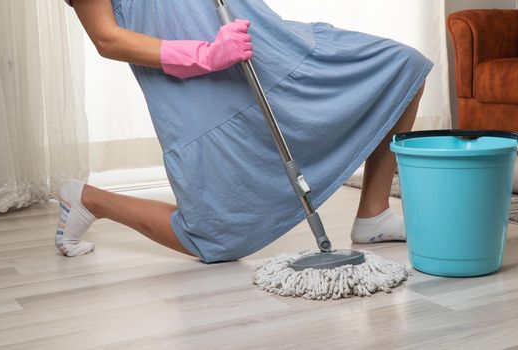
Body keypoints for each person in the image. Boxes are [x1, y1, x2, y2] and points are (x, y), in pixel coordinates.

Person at [57, 0, 432, 262]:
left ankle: (374, 214)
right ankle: (90, 200)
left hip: (270, 50)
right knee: (216, 239)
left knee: (404, 69)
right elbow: (107, 38)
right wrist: (205, 55)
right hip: (203, 90)